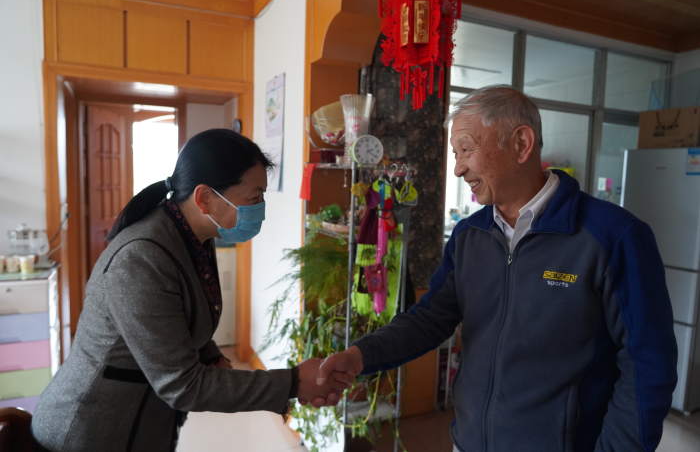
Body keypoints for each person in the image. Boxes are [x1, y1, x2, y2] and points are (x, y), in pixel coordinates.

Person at [317, 85, 678, 451]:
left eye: (467, 149)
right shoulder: (469, 235)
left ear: (521, 144)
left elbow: (648, 364)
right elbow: (430, 318)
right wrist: (359, 356)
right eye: (455, 154)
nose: (458, 168)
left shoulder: (612, 236)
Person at [31, 129, 350, 451]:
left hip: (145, 422)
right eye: (254, 198)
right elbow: (181, 384)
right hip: (91, 429)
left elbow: (178, 316)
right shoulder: (141, 259)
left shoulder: (194, 236)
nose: (261, 208)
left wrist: (211, 355)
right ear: (204, 198)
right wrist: (293, 382)